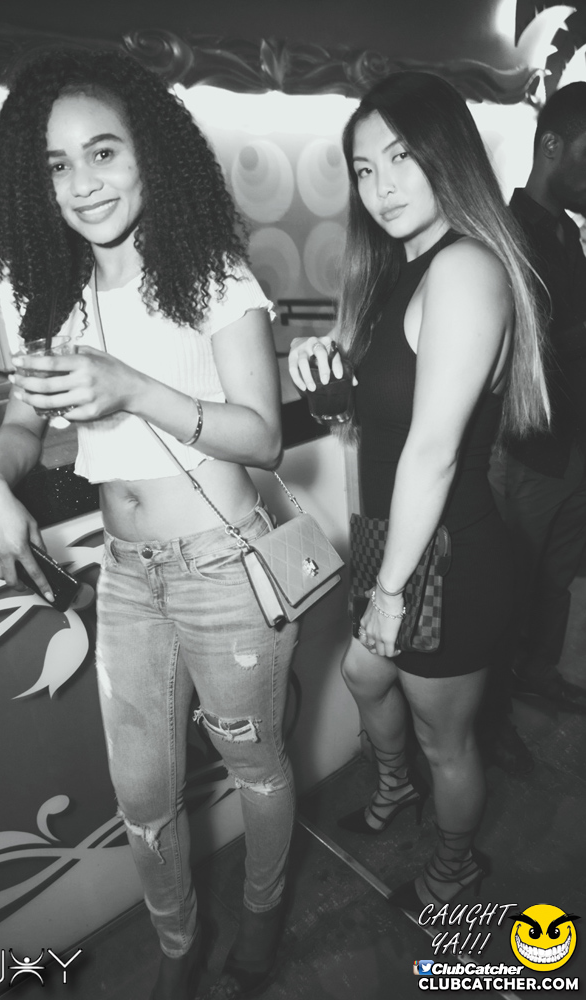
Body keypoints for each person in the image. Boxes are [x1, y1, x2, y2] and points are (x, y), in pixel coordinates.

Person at [0, 48, 298, 1000]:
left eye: (103, 152)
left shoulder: (209, 272)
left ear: (150, 150)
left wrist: (131, 388)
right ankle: (177, 940)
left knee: (256, 769)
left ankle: (264, 919)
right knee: (143, 796)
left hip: (225, 567)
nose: (83, 183)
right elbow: (24, 423)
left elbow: (265, 436)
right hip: (127, 576)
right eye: (58, 165)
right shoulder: (41, 288)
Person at [289, 72, 550, 912]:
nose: (382, 186)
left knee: (448, 741)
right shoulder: (394, 273)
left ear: (447, 155)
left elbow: (433, 451)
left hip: (447, 554)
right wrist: (326, 375)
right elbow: (378, 425)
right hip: (394, 539)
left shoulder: (464, 266)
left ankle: (453, 868)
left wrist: (392, 593)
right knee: (367, 677)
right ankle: (395, 788)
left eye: (401, 158)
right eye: (364, 169)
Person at [488, 82, 586, 714]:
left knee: (556, 580)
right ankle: (492, 710)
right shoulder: (506, 232)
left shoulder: (569, 234)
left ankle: (538, 673)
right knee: (510, 584)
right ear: (552, 145)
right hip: (524, 447)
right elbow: (526, 345)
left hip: (571, 441)